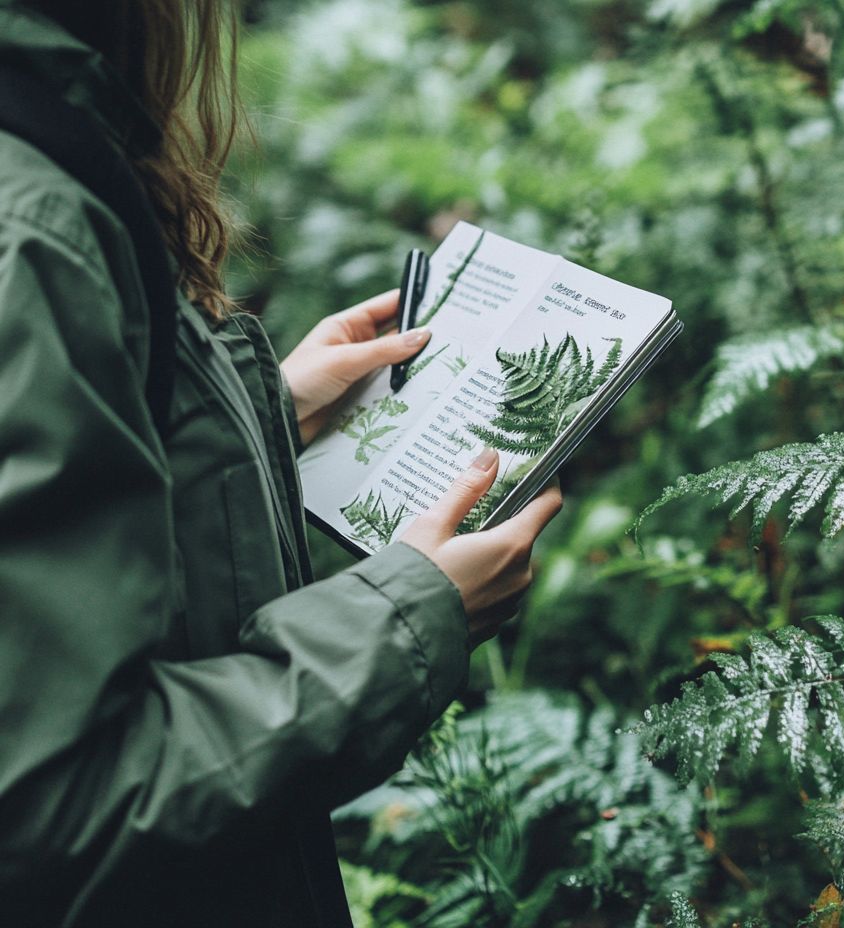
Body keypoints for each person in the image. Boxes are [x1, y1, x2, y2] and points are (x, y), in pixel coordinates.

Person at [0, 1, 562, 925]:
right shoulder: (34, 216)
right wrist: (409, 622)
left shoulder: (42, 140)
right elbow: (52, 803)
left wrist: (262, 410)